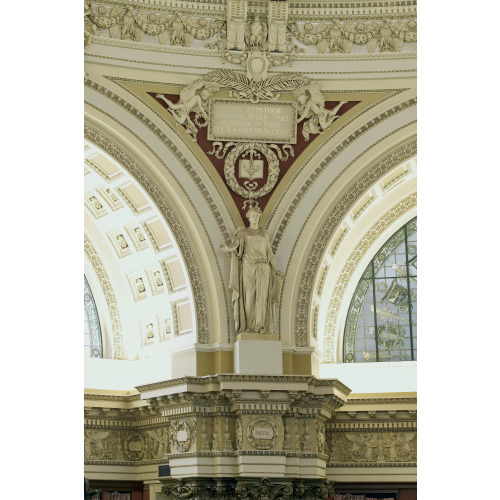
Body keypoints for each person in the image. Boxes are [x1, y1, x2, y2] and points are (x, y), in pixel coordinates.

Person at [221, 206, 283, 334]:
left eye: (257, 215)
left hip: (263, 267)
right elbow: (236, 244)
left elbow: (270, 254)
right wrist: (228, 248)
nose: (256, 217)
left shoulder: (264, 234)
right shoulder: (244, 233)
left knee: (261, 298)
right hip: (248, 267)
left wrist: (276, 269)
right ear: (249, 217)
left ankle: (260, 326)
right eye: (253, 215)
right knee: (249, 297)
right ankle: (249, 326)